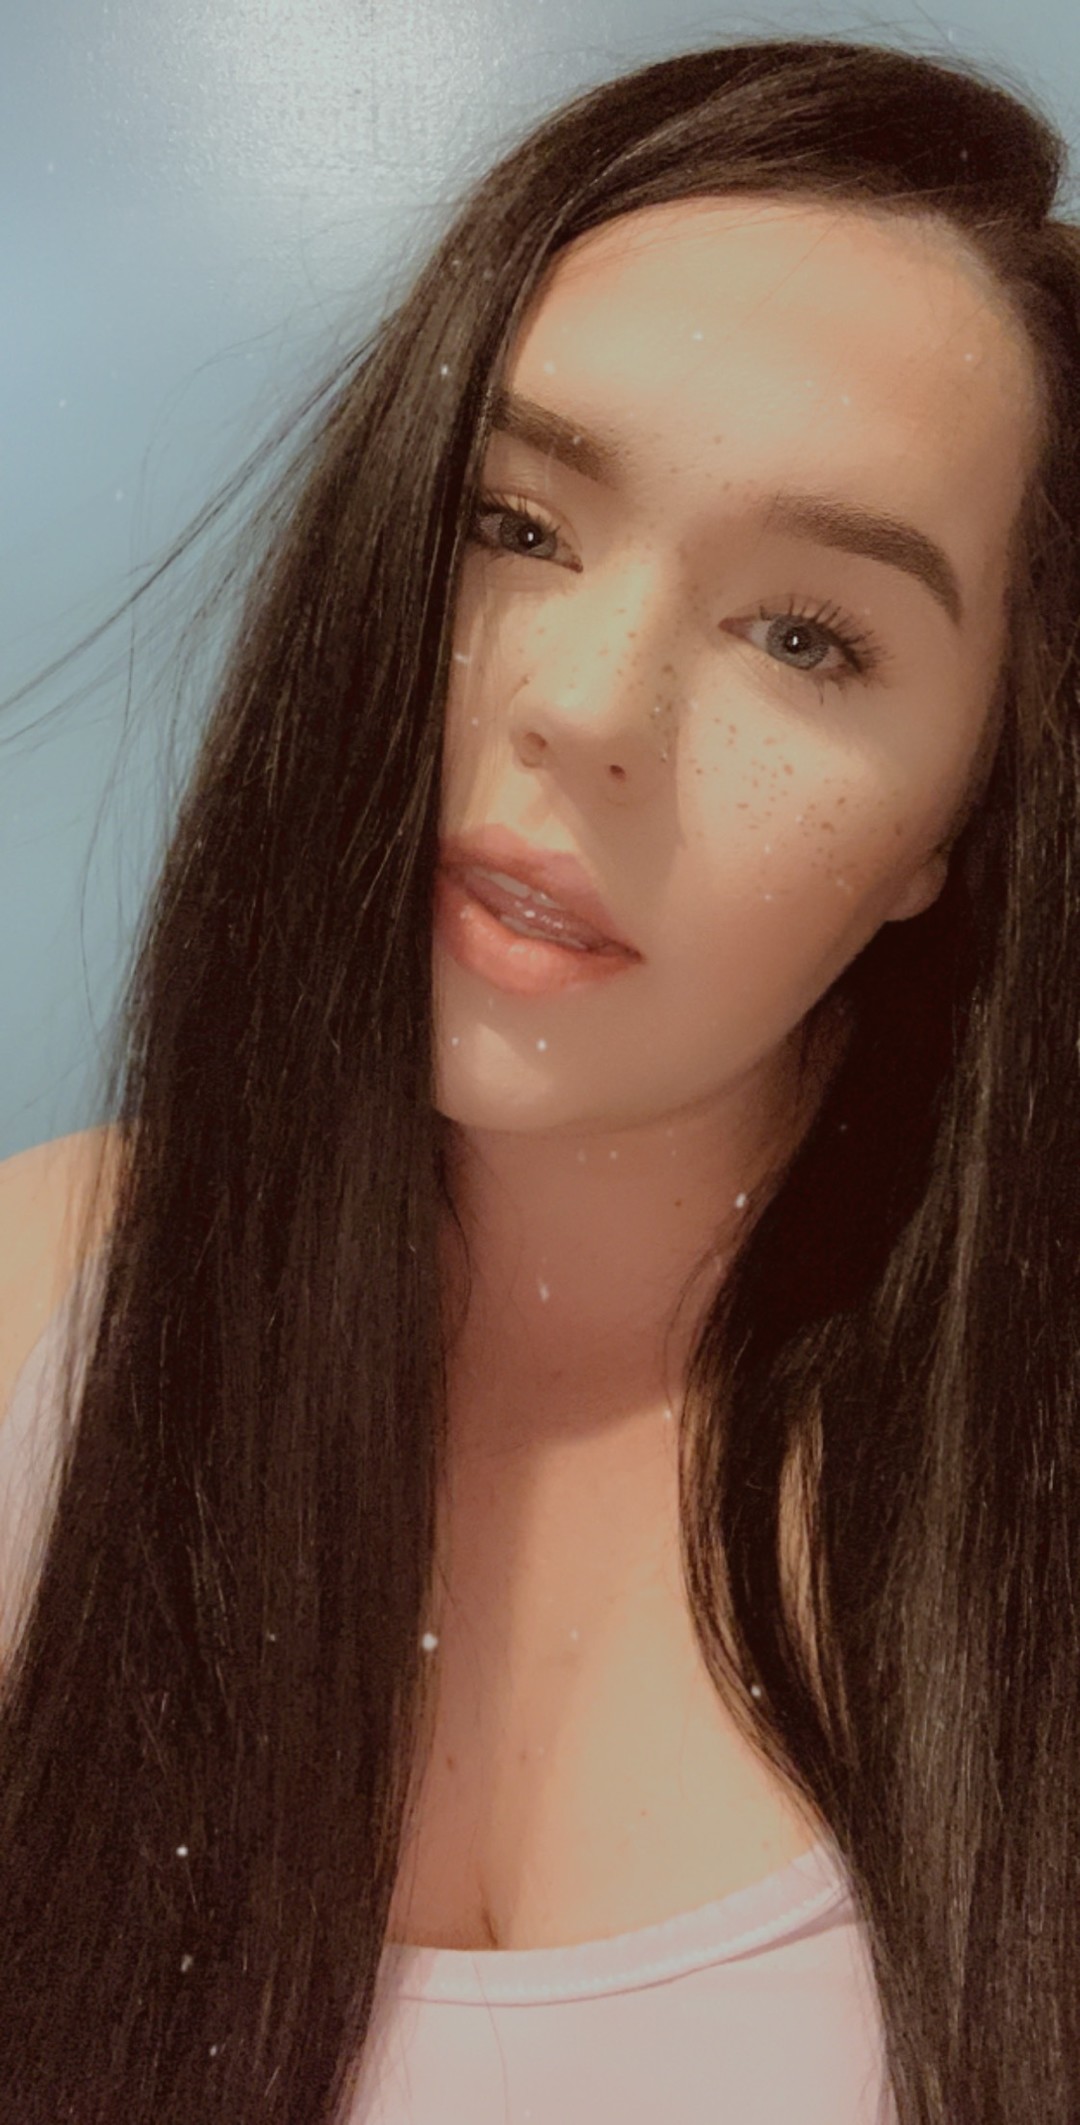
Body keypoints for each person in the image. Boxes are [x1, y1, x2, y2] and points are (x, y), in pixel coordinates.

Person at [1, 34, 1078, 2125]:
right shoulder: (46, 1321)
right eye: (512, 520)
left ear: (959, 815)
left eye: (810, 637)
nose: (586, 705)